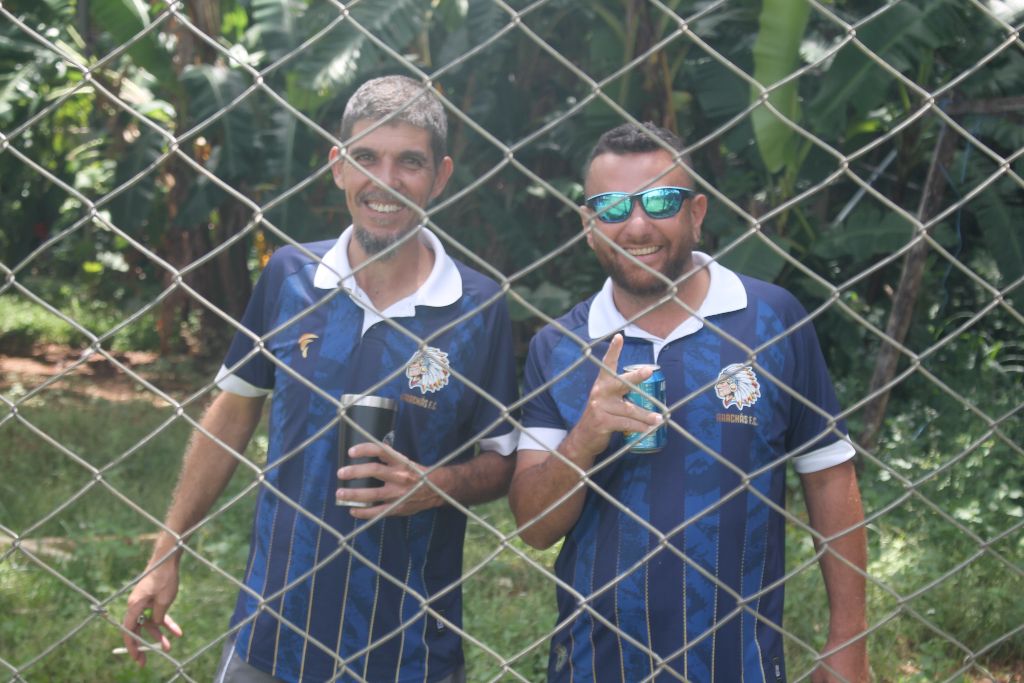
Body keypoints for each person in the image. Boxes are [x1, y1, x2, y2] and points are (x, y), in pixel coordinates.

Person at [122, 75, 519, 683]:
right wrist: (165, 551)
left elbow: (503, 461)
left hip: (409, 647)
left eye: (409, 162)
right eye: (366, 157)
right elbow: (232, 413)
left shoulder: (478, 308)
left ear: (440, 176)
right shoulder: (289, 277)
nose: (385, 180)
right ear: (338, 166)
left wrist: (433, 485)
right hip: (270, 632)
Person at [509, 122, 868, 683]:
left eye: (660, 201)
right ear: (588, 225)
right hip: (595, 664)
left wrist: (848, 637)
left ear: (696, 213)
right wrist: (584, 440)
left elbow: (827, 477)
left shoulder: (772, 320)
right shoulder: (558, 347)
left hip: (741, 662)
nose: (636, 225)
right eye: (611, 206)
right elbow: (534, 527)